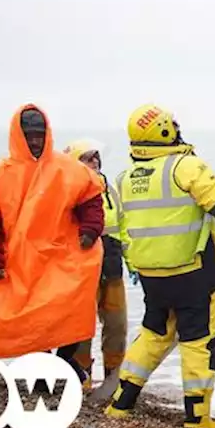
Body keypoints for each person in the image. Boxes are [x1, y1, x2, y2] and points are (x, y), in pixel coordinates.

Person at [105, 104, 215, 428]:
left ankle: (121, 402)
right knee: (199, 339)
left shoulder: (123, 179)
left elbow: (119, 228)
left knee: (153, 334)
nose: (177, 128)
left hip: (151, 276)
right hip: (192, 272)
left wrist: (135, 263)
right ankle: (197, 417)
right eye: (172, 125)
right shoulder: (185, 166)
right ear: (163, 131)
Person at [0, 105, 105, 384]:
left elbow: (91, 200)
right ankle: (41, 368)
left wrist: (90, 229)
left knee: (69, 310)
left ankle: (63, 362)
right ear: (17, 135)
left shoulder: (70, 170)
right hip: (18, 260)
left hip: (62, 255)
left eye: (39, 134)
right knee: (27, 318)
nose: (35, 140)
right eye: (29, 135)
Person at [62, 139, 129, 394]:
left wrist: (131, 261)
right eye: (88, 158)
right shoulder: (67, 191)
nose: (95, 162)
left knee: (116, 324)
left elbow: (123, 226)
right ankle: (82, 377)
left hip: (111, 264)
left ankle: (113, 376)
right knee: (81, 325)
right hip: (81, 267)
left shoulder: (110, 190)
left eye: (96, 157)